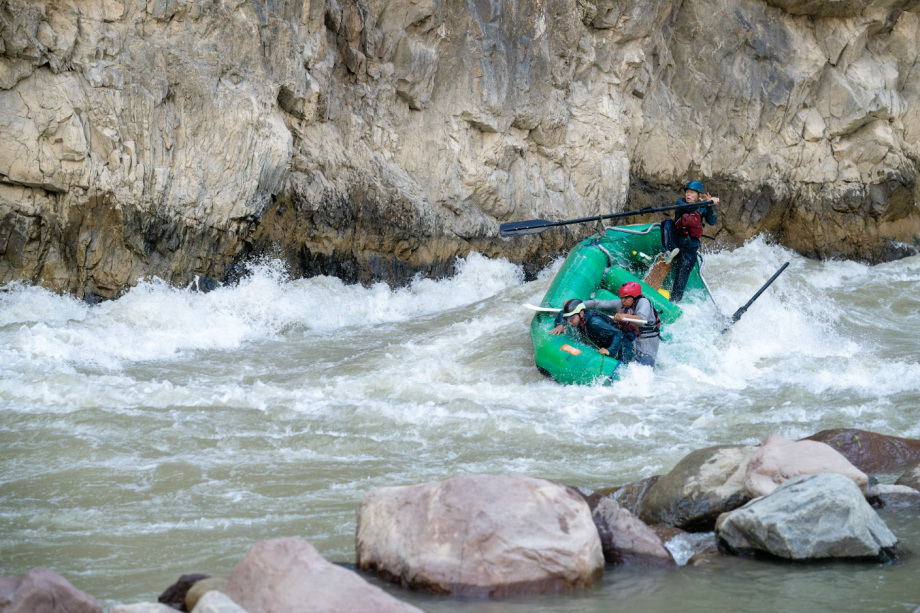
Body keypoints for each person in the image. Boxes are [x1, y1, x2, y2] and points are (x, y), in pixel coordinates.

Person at [550, 282, 662, 367]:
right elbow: (598, 303)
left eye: (626, 298)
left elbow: (641, 319)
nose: (623, 300)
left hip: (647, 338)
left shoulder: (643, 302)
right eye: (622, 297)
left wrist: (625, 317)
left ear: (634, 297)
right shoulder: (622, 304)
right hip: (630, 336)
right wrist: (577, 305)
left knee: (645, 366)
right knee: (630, 357)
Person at [666, 180, 719, 303]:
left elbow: (712, 221)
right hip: (677, 243)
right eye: (687, 192)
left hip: (690, 248)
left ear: (698, 195)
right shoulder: (680, 203)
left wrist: (709, 206)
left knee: (681, 278)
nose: (688, 195)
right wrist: (706, 202)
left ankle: (675, 302)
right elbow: (690, 209)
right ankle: (668, 252)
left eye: (692, 193)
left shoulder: (703, 206)